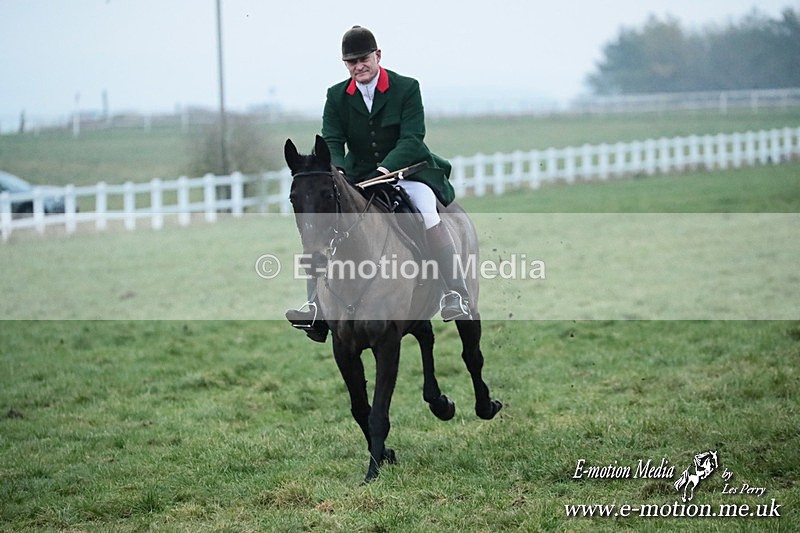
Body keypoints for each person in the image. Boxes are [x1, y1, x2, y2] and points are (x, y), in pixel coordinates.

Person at [286, 25, 471, 342]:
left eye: (364, 59)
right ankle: (315, 306)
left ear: (378, 56)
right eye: (351, 62)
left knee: (428, 212)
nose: (358, 66)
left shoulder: (406, 87)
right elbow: (332, 140)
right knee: (324, 222)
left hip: (406, 173)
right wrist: (338, 172)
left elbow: (412, 138)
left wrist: (384, 169)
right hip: (357, 177)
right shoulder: (336, 96)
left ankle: (455, 292)